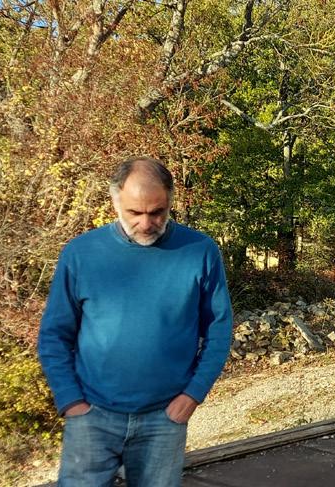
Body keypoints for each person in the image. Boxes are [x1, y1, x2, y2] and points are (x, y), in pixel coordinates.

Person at [38, 157, 233, 486]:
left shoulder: (200, 251)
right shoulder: (81, 254)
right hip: (91, 416)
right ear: (115, 201)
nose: (146, 223)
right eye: (134, 213)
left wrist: (192, 396)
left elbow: (219, 330)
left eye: (157, 212)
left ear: (171, 200)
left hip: (164, 419)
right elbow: (54, 336)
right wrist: (71, 401)